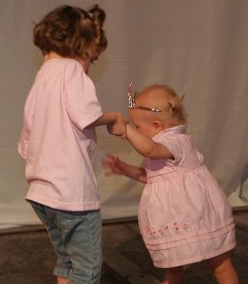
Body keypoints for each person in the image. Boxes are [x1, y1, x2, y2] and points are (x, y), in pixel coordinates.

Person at [17, 4, 126, 284]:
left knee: (67, 261)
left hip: (42, 195)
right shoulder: (72, 72)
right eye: (91, 58)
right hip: (72, 196)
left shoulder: (41, 79)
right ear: (79, 45)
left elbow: (27, 140)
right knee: (86, 270)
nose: (89, 67)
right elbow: (86, 115)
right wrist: (113, 116)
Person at [102, 84, 239, 284]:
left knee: (220, 265)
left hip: (198, 216)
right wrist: (125, 169)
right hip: (180, 217)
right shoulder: (162, 145)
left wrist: (127, 130)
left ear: (158, 126)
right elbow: (155, 177)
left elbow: (149, 150)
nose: (134, 131)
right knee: (174, 268)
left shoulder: (177, 142)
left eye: (137, 126)